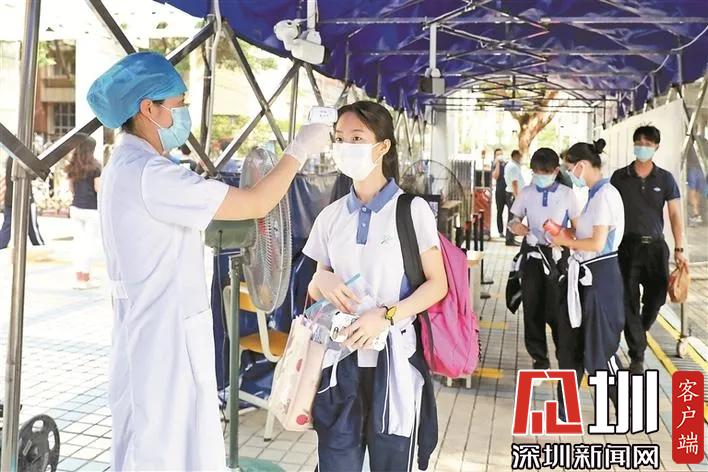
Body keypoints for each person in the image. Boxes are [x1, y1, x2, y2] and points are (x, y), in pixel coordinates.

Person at [86, 51, 331, 471]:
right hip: (163, 334)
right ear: (149, 109)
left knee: (156, 440)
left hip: (149, 328)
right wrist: (299, 149)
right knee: (164, 449)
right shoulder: (151, 174)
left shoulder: (126, 165)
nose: (183, 115)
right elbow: (256, 202)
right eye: (178, 105)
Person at [303, 101, 446, 472]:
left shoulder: (411, 210)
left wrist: (385, 316)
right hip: (339, 361)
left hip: (394, 361)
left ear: (382, 146)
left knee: (392, 462)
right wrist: (320, 279)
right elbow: (317, 289)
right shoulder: (330, 216)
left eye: (356, 138)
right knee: (335, 462)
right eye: (339, 138)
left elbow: (437, 285)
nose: (344, 146)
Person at [551, 139, 625, 410]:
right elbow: (586, 234)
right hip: (584, 279)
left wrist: (565, 241)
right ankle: (565, 408)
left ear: (581, 165)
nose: (570, 174)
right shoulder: (594, 195)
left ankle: (626, 405)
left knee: (600, 348)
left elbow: (597, 243)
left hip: (599, 280)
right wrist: (565, 234)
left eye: (570, 168)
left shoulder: (605, 195)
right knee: (571, 346)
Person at [610, 125, 687, 374]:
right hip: (626, 247)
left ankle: (639, 332)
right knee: (628, 301)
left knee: (657, 297)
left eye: (648, 144)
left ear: (656, 147)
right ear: (634, 145)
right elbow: (610, 211)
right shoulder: (619, 177)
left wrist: (680, 247)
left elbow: (675, 214)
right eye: (639, 143)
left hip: (655, 247)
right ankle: (637, 357)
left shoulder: (665, 179)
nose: (643, 147)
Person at [508, 148, 580, 370]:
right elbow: (513, 220)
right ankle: (539, 359)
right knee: (532, 308)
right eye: (536, 173)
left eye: (544, 173)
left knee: (557, 309)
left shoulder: (568, 194)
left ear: (555, 171)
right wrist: (517, 228)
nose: (539, 177)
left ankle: (564, 354)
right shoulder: (527, 193)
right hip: (532, 256)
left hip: (557, 257)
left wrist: (562, 238)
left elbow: (578, 229)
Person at [64, 134, 101, 289]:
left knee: (78, 243)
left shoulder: (73, 165)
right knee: (89, 244)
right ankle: (85, 278)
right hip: (91, 209)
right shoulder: (96, 166)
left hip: (76, 208)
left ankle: (79, 277)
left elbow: (71, 188)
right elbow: (98, 189)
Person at [503, 149, 524, 246]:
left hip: (511, 193)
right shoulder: (513, 167)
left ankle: (511, 238)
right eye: (519, 156)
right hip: (513, 194)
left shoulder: (510, 165)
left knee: (512, 217)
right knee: (512, 217)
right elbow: (514, 182)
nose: (520, 158)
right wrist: (517, 196)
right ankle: (509, 239)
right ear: (515, 156)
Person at [687, 146, 706, 226]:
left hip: (695, 169)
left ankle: (696, 215)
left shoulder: (691, 144)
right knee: (696, 193)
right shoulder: (703, 142)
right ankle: (696, 214)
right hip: (701, 169)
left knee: (692, 193)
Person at [491, 148, 507, 237]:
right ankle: (500, 231)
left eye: (501, 154)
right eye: (498, 154)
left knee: (511, 211)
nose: (500, 156)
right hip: (499, 190)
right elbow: (496, 176)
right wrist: (497, 163)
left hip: (508, 190)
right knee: (499, 211)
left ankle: (510, 233)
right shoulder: (494, 165)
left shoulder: (506, 164)